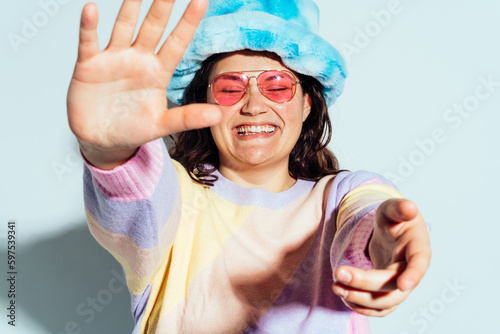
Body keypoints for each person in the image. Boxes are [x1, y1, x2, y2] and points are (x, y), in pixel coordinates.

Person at [67, 0, 431, 333]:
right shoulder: (174, 197)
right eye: (230, 88)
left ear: (307, 103)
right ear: (205, 103)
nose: (254, 105)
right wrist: (109, 148)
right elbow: (135, 191)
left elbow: (367, 219)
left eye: (276, 86)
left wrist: (384, 244)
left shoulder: (341, 195)